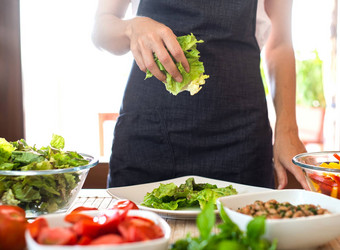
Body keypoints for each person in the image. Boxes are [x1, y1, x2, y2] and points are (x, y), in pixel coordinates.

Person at [92, 0, 309, 190]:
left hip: (240, 140)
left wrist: (287, 129)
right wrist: (130, 28)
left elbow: (279, 44)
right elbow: (101, 29)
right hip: (149, 134)